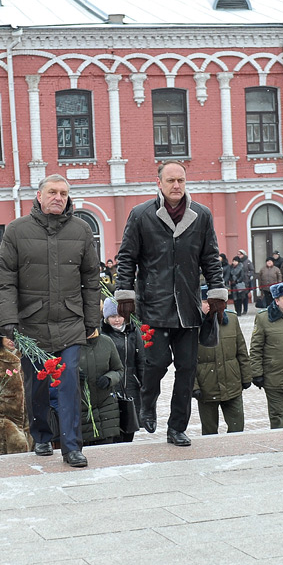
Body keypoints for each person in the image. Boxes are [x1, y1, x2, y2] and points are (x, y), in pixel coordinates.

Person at [114, 161, 227, 447]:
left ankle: (177, 427)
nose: (176, 185)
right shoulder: (141, 215)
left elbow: (211, 257)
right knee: (155, 363)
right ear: (159, 183)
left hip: (188, 307)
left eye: (181, 180)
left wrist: (216, 291)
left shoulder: (201, 215)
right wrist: (125, 294)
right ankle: (148, 403)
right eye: (171, 181)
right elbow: (127, 258)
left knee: (188, 370)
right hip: (153, 304)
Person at [0, 174, 101, 467]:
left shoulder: (81, 231)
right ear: (39, 196)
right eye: (52, 192)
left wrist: (92, 320)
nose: (58, 197)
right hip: (32, 324)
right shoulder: (16, 231)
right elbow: (5, 281)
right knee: (37, 385)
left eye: (64, 193)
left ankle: (71, 447)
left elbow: (91, 279)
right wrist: (9, 321)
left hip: (70, 321)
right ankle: (42, 435)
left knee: (69, 382)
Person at [193, 291, 250, 436]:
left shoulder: (231, 320)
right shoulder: (192, 327)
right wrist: (193, 386)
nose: (209, 306)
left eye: (213, 302)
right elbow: (186, 361)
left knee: (238, 428)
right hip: (206, 388)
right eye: (205, 302)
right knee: (209, 431)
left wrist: (246, 377)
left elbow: (242, 351)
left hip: (232, 385)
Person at [250, 281, 283, 429]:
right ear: (276, 300)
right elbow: (256, 348)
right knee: (277, 417)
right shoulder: (264, 318)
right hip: (273, 379)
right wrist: (256, 373)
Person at [100, 298, 143, 443]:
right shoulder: (102, 335)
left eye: (119, 316)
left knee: (130, 425)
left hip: (130, 385)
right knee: (113, 427)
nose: (117, 320)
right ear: (106, 318)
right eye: (112, 316)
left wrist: (144, 382)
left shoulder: (133, 332)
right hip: (110, 385)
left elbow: (141, 360)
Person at [77, 321, 124, 446]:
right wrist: (73, 375)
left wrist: (109, 378)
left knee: (106, 451)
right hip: (81, 408)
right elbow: (58, 371)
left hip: (106, 407)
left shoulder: (106, 342)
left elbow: (119, 369)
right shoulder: (72, 346)